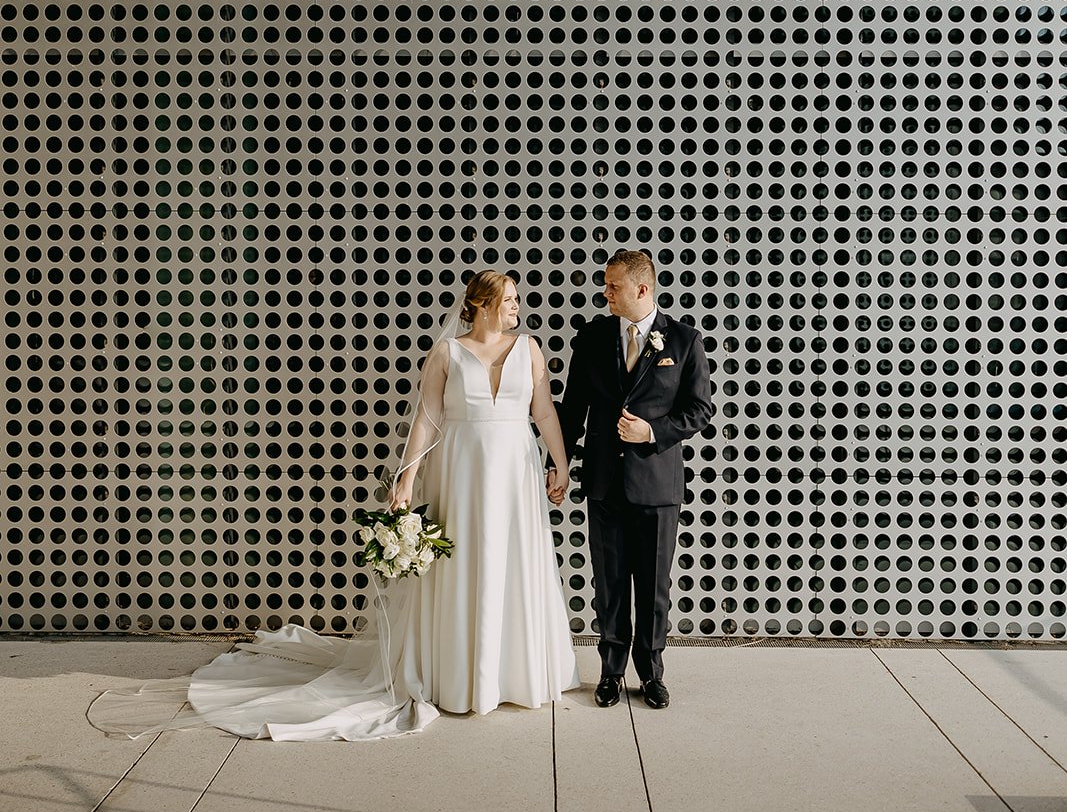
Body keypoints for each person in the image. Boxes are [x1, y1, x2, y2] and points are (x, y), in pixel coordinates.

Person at [87, 269, 579, 741]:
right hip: (459, 471)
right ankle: (458, 675)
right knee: (462, 566)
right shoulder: (447, 353)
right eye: (510, 299)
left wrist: (559, 463)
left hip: (515, 471)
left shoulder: (529, 350)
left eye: (517, 299)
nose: (518, 306)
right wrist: (406, 481)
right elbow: (426, 423)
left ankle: (512, 673)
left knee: (511, 562)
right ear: (483, 305)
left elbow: (544, 411)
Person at [553, 249, 714, 710]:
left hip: (658, 487)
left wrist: (653, 432)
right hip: (603, 482)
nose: (605, 293)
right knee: (610, 584)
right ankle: (610, 672)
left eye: (612, 287)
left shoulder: (683, 340)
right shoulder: (592, 336)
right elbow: (574, 407)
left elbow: (700, 410)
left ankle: (652, 673)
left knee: (653, 585)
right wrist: (557, 462)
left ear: (641, 289)